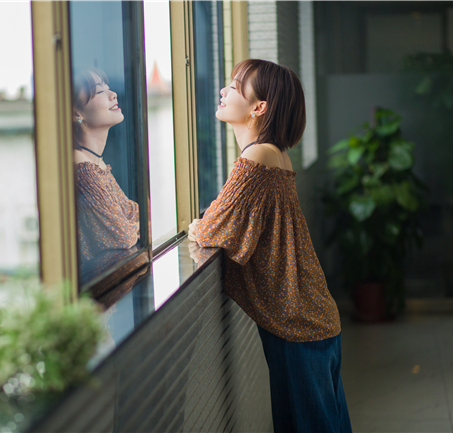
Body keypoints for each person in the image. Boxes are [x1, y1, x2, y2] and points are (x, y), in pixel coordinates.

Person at [188, 59, 352, 433]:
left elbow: (213, 228)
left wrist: (200, 225)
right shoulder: (273, 152)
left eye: (234, 86)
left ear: (259, 107)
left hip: (298, 323)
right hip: (309, 316)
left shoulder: (257, 157)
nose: (223, 91)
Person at [72, 68, 140, 276]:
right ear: (76, 112)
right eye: (100, 91)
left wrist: (131, 223)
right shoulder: (80, 164)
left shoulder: (95, 162)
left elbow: (135, 214)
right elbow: (123, 235)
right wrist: (132, 225)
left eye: (108, 87)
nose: (113, 94)